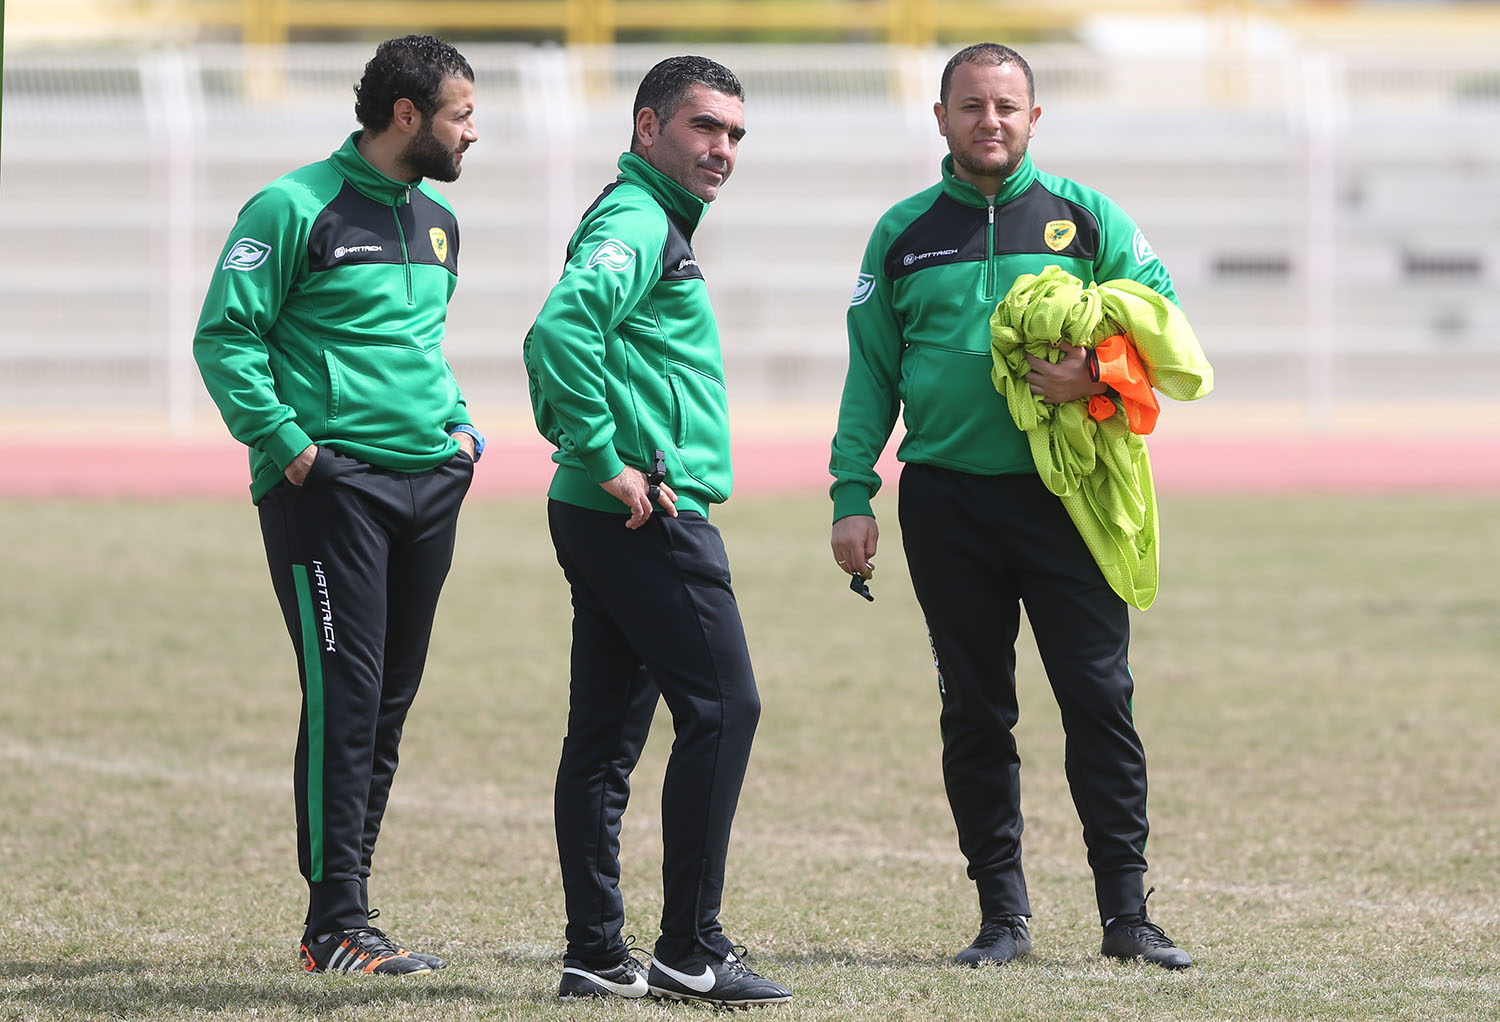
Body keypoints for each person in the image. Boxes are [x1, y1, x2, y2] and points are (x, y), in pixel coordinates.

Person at [829, 42, 1194, 970]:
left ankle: (1127, 916)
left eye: (1005, 106)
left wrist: (1096, 373)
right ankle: (1002, 917)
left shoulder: (1088, 217)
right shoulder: (901, 233)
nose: (988, 121)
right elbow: (872, 373)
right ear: (941, 118)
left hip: (1069, 498)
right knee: (975, 710)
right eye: (970, 106)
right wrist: (852, 492)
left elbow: (1166, 324)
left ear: (1034, 118)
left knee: (1099, 699)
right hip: (946, 504)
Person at [192, 35, 483, 976]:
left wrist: (461, 429)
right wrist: (291, 448)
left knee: (387, 702)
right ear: (407, 115)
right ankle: (335, 925)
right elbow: (225, 337)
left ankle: (353, 908)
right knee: (345, 697)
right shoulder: (290, 207)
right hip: (330, 488)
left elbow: (419, 346)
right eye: (461, 115)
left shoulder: (439, 222)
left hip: (430, 482)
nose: (473, 132)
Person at [522, 55, 792, 1007]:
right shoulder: (638, 220)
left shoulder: (646, 219)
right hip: (645, 513)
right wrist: (605, 456)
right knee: (725, 709)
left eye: (735, 134)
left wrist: (591, 458)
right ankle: (690, 949)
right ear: (648, 128)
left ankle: (596, 954)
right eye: (704, 127)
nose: (723, 149)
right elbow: (559, 332)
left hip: (607, 512)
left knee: (603, 741)